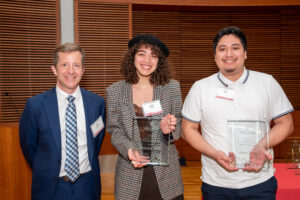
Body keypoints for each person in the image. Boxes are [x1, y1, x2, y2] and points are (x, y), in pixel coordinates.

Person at [181, 26, 294, 200]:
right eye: (222, 49)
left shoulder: (267, 82)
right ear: (215, 56)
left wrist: (262, 145)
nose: (229, 54)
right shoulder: (200, 88)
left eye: (235, 48)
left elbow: (286, 123)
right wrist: (213, 153)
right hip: (216, 184)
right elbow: (188, 128)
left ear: (245, 53)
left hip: (260, 183)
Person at [19, 43, 106, 200]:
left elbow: (96, 142)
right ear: (54, 69)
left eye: (76, 65)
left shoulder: (97, 104)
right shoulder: (35, 106)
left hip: (86, 186)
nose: (71, 71)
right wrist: (46, 168)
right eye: (64, 65)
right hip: (50, 187)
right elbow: (29, 147)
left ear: (83, 70)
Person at [106, 34, 184, 200]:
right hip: (129, 175)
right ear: (132, 57)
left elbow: (179, 124)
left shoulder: (171, 88)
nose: (147, 60)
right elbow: (114, 129)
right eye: (142, 54)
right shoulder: (115, 91)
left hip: (166, 176)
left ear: (159, 61)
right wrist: (128, 150)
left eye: (153, 55)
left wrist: (166, 130)